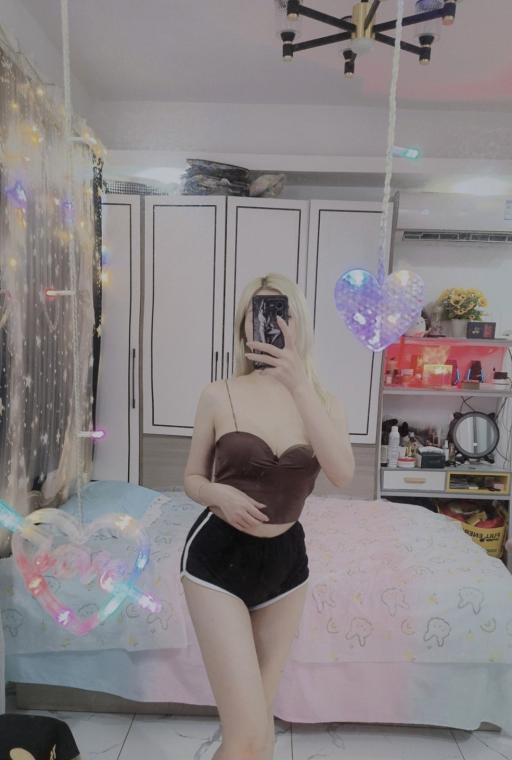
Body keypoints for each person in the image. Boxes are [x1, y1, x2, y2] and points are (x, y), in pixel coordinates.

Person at [180, 272, 355, 760]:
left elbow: (342, 473)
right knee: (245, 739)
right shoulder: (219, 394)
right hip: (216, 561)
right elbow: (191, 478)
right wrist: (218, 494)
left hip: (286, 567)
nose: (270, 324)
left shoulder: (324, 402)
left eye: (281, 313)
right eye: (257, 315)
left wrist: (299, 385)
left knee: (261, 738)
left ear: (299, 324)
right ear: (244, 328)